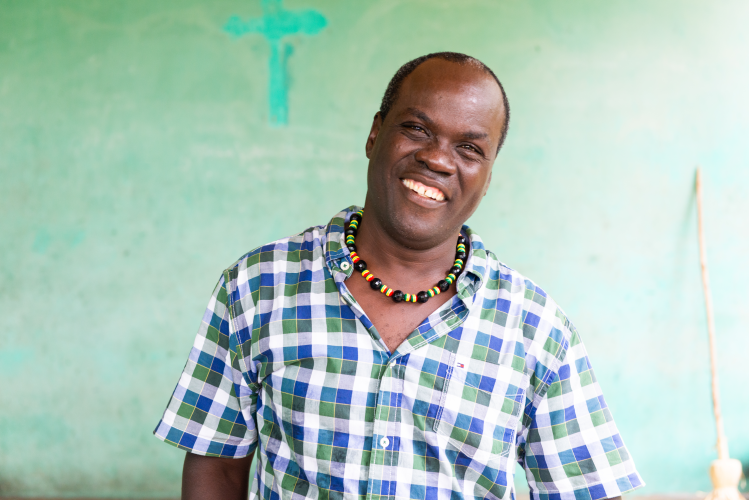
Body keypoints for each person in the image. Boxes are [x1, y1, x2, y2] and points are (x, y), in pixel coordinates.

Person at [154, 52, 643, 500]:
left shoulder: (535, 329)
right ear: (375, 134)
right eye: (417, 129)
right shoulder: (258, 288)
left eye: (470, 148)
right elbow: (216, 468)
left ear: (488, 176)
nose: (437, 159)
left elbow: (587, 492)